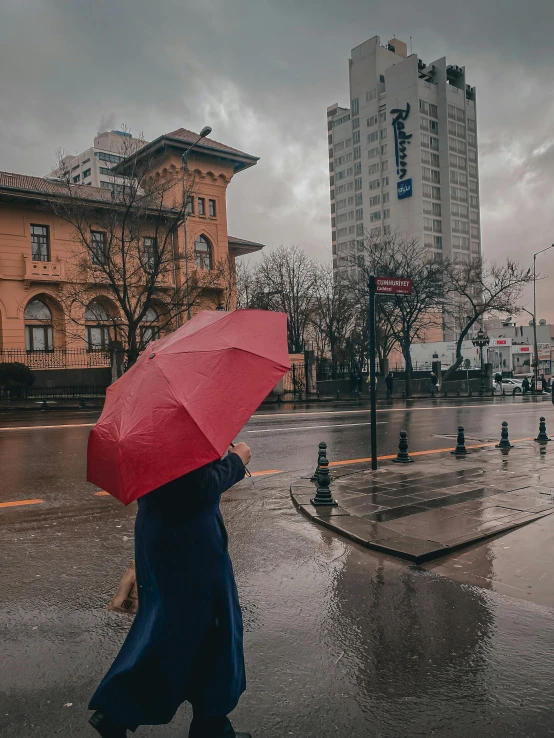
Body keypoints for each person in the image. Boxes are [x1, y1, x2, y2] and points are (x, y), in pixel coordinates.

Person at [88, 442, 253, 738]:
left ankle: (119, 711)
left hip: (161, 533)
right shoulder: (179, 436)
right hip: (191, 545)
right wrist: (236, 462)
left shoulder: (153, 433)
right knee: (210, 632)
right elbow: (197, 487)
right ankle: (208, 726)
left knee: (171, 631)